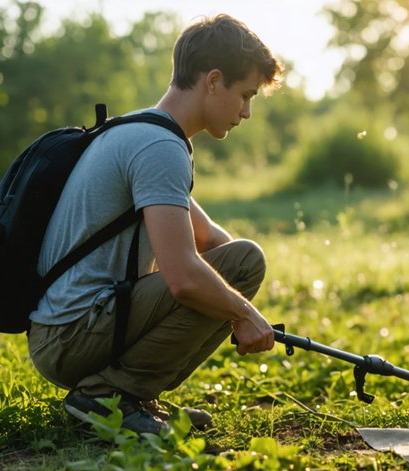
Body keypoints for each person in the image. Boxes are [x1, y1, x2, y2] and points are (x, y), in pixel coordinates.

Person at [26, 14, 281, 434]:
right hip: (70, 336)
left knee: (236, 267)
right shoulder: (160, 147)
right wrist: (240, 309)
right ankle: (109, 396)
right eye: (246, 95)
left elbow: (215, 243)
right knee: (241, 265)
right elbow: (183, 278)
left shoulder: (143, 130)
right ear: (213, 80)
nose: (248, 112)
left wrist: (242, 309)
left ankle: (131, 396)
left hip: (68, 329)